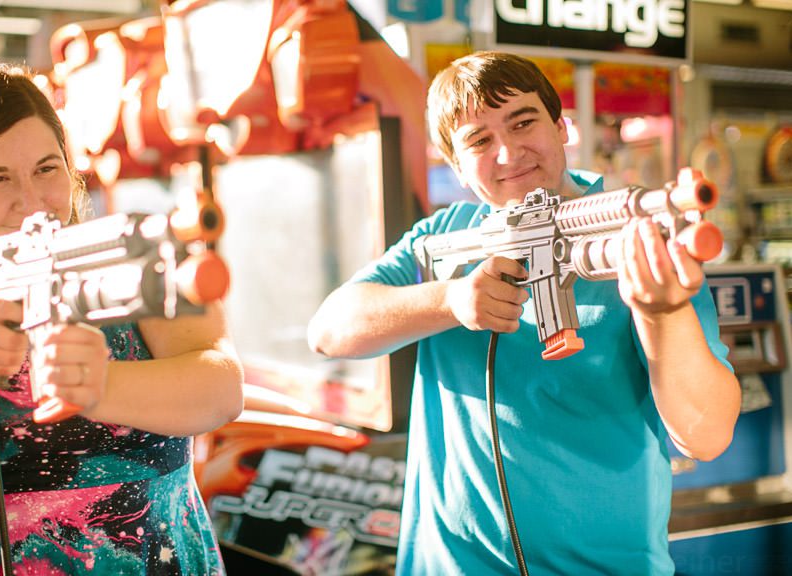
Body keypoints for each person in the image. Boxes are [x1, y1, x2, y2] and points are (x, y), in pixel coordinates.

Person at [308, 51, 740, 575]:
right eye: (479, 140)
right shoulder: (443, 238)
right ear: (455, 165)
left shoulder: (641, 238)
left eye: (524, 121)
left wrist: (661, 311)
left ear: (562, 128)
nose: (509, 151)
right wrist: (450, 300)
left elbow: (708, 434)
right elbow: (330, 330)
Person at [0, 64, 244, 575]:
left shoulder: (134, 261)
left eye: (46, 169)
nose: (31, 201)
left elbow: (223, 390)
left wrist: (102, 385)